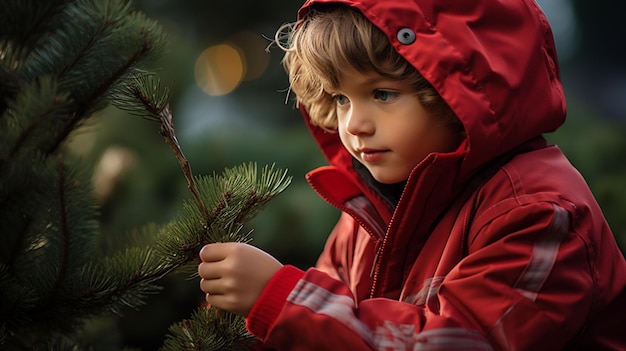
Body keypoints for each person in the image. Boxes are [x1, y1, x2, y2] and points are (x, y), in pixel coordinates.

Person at [198, 0, 626, 349]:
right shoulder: (372, 207)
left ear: (460, 93)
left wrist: (282, 299)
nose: (354, 125)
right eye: (342, 99)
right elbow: (332, 318)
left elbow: (463, 343)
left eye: (382, 94)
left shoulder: (537, 214)